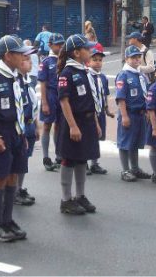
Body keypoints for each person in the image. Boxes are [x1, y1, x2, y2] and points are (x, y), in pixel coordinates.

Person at [0, 35, 33, 242]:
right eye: (19, 53)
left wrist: (22, 133)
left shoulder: (16, 77)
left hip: (16, 134)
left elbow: (20, 105)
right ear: (8, 55)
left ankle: (8, 219)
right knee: (1, 177)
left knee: (14, 175)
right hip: (1, 132)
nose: (23, 56)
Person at [57, 34, 102, 214]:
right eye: (87, 49)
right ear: (76, 52)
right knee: (69, 159)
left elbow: (91, 99)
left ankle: (80, 195)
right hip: (74, 121)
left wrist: (96, 122)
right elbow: (64, 101)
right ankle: (66, 199)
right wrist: (73, 126)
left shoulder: (84, 71)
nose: (90, 51)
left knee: (82, 158)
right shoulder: (67, 73)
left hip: (88, 121)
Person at [115, 45, 151, 182]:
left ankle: (135, 168)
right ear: (126, 59)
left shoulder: (141, 75)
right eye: (133, 57)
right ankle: (125, 170)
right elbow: (121, 98)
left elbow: (145, 94)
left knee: (135, 142)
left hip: (140, 114)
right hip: (129, 113)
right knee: (125, 142)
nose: (136, 60)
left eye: (138, 57)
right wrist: (124, 116)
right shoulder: (123, 75)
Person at [39, 33, 65, 171]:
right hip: (49, 96)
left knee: (59, 127)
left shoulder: (64, 61)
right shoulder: (46, 62)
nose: (61, 47)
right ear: (50, 45)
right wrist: (44, 102)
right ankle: (45, 157)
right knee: (47, 126)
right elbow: (43, 83)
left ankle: (59, 155)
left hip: (61, 96)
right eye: (58, 44)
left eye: (62, 44)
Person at [15, 54, 39, 206]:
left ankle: (19, 187)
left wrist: (36, 126)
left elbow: (32, 105)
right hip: (21, 127)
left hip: (29, 125)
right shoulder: (15, 82)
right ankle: (14, 191)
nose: (30, 63)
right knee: (18, 160)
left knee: (24, 160)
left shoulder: (26, 82)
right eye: (26, 60)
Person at [87, 47, 112, 175]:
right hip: (90, 112)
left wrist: (107, 109)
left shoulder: (103, 77)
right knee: (88, 137)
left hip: (100, 111)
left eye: (100, 60)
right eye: (95, 60)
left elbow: (105, 94)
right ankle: (84, 162)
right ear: (88, 61)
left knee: (97, 137)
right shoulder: (87, 76)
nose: (98, 62)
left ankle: (94, 163)